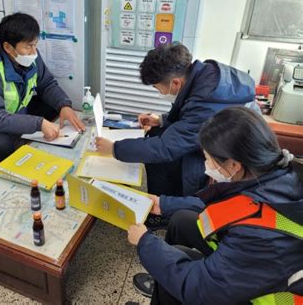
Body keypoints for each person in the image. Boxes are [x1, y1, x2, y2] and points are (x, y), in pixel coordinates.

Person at [127, 107, 303, 304]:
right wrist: (164, 204)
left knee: (174, 268)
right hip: (256, 267)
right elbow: (232, 206)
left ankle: (165, 282)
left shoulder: (260, 238)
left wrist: (145, 243)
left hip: (260, 298)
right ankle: (161, 282)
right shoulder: (278, 171)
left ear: (234, 165)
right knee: (181, 221)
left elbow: (200, 289)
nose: (207, 165)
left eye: (208, 159)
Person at [95, 43, 255, 228]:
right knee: (156, 133)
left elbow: (166, 147)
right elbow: (190, 118)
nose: (159, 93)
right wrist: (161, 120)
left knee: (162, 156)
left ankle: (167, 212)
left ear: (176, 83)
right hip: (218, 142)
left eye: (157, 88)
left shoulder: (208, 99)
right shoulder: (206, 75)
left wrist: (114, 148)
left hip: (227, 156)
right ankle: (167, 203)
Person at [0, 12, 85, 172]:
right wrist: (38, 123)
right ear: (8, 47)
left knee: (54, 108)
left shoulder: (29, 54)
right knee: (0, 144)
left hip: (15, 110)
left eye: (35, 44)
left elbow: (46, 84)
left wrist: (64, 105)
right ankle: (5, 174)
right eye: (28, 46)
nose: (34, 52)